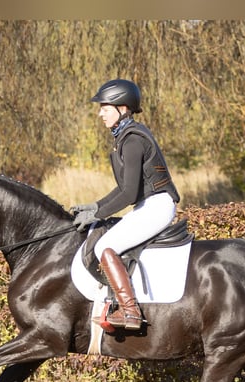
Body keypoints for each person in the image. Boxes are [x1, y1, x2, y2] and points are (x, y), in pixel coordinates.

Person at [72, 79, 180, 330]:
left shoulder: (132, 141)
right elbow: (124, 190)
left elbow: (129, 193)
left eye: (105, 108)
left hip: (157, 206)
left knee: (105, 246)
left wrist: (97, 211)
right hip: (148, 205)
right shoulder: (126, 137)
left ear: (122, 108)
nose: (100, 113)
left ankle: (130, 312)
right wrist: (94, 207)